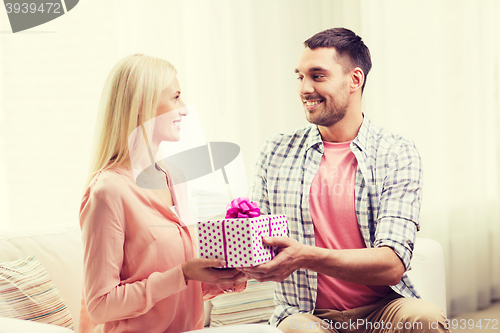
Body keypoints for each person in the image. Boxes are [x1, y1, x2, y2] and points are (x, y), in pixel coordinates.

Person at [242, 28, 449, 332]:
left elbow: (392, 265)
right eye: (300, 76)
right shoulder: (276, 151)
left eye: (317, 75)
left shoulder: (396, 152)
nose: (304, 88)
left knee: (425, 318)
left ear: (355, 79)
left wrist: (305, 257)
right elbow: (255, 240)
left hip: (383, 308)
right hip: (306, 312)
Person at [79, 54, 245, 333]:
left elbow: (178, 288)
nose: (185, 109)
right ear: (142, 106)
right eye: (176, 97)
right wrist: (181, 274)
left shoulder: (175, 177)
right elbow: (100, 305)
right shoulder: (108, 192)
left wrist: (224, 276)